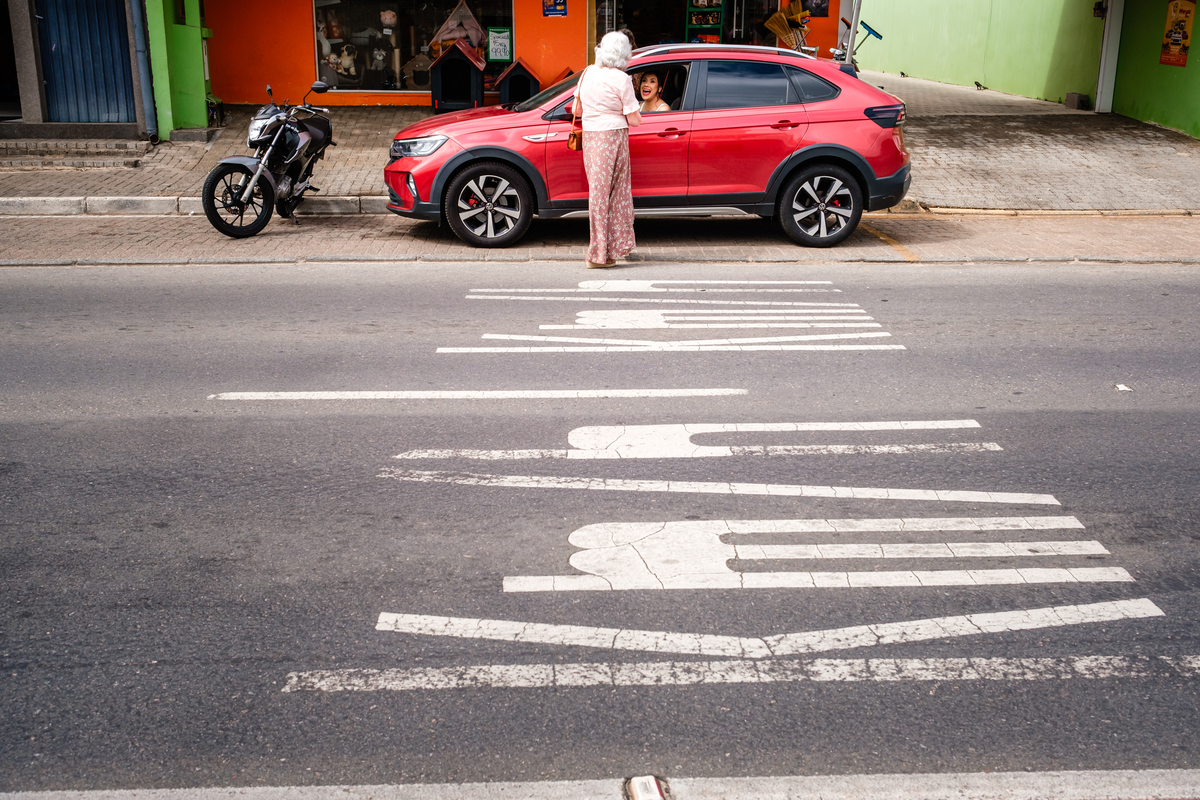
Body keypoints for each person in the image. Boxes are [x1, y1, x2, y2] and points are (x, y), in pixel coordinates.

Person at [574, 31, 641, 269]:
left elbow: (577, 110)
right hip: (614, 137)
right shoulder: (622, 79)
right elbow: (634, 120)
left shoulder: (587, 73)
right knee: (617, 196)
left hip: (592, 137)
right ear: (624, 53)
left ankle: (603, 253)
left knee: (598, 196)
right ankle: (601, 254)